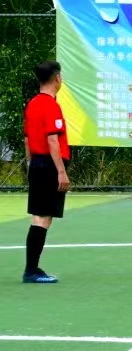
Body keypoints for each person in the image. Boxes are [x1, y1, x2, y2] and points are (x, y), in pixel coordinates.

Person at [22, 61, 70, 283]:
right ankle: (31, 270)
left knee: (40, 217)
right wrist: (61, 171)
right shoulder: (50, 105)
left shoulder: (32, 103)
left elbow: (27, 139)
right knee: (42, 219)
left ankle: (32, 269)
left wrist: (31, 164)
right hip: (49, 165)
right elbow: (52, 140)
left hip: (38, 163)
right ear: (57, 78)